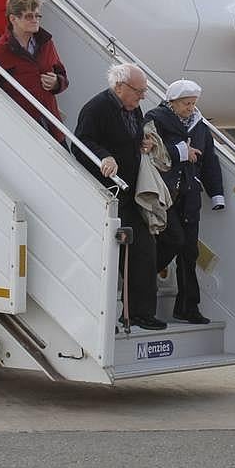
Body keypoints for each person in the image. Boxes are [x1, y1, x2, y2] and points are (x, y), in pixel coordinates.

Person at [74, 64, 161, 330]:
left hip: (132, 193)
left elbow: (132, 138)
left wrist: (144, 144)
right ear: (119, 86)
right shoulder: (96, 108)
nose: (142, 97)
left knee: (145, 251)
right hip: (108, 194)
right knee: (110, 257)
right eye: (139, 91)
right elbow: (81, 142)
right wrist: (104, 156)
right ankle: (105, 317)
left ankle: (139, 313)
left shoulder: (134, 109)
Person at [144, 80, 225, 325]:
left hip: (189, 196)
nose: (191, 108)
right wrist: (181, 152)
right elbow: (150, 149)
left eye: (193, 103)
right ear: (173, 102)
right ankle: (142, 278)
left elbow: (209, 161)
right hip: (165, 196)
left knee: (189, 252)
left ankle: (188, 307)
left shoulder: (200, 127)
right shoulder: (155, 118)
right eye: (186, 103)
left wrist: (217, 194)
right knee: (173, 241)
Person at [0, 0, 69, 140]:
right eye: (29, 16)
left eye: (37, 16)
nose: (35, 20)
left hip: (51, 122)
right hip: (20, 126)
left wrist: (57, 82)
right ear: (13, 19)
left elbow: (63, 76)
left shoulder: (46, 43)